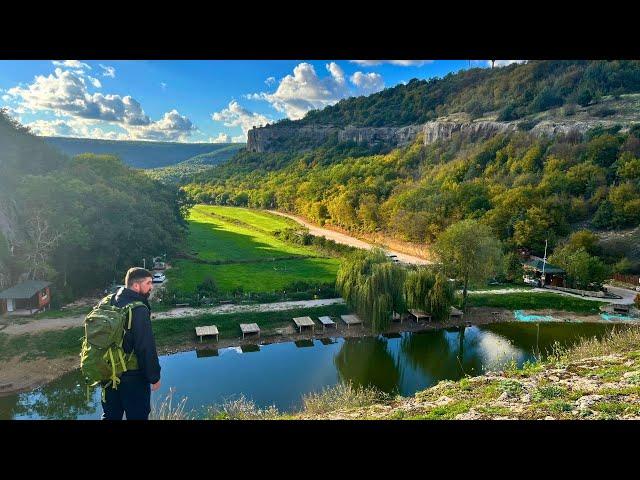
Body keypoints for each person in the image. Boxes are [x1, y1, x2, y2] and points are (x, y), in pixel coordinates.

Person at [101, 267, 161, 420]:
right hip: (133, 378)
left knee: (110, 416)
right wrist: (154, 377)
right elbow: (145, 347)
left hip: (109, 373)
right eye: (148, 283)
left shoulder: (110, 301)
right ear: (136, 286)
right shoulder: (139, 309)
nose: (151, 287)